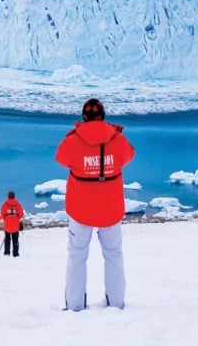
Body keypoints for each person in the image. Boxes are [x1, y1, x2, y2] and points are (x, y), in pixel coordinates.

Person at [54, 98, 135, 311]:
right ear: (103, 116)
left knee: (77, 256)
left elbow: (60, 158)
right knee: (114, 255)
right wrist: (114, 135)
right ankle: (116, 302)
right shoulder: (118, 140)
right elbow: (129, 155)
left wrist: (74, 135)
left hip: (80, 210)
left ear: (83, 117)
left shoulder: (73, 141)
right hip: (111, 209)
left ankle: (74, 304)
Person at [0, 191, 25, 257]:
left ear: (8, 196)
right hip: (15, 225)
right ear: (14, 196)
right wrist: (16, 218)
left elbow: (2, 214)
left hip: (7, 225)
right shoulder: (18, 205)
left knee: (7, 239)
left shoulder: (4, 205)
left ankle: (7, 253)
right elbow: (21, 214)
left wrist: (6, 218)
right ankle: (15, 253)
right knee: (15, 240)